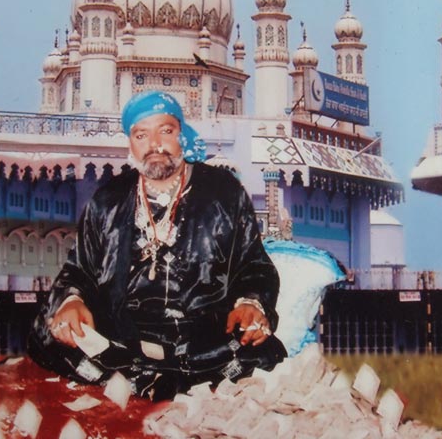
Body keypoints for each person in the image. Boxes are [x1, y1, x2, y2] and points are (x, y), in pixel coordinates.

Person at [27, 91, 285, 400]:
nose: (154, 145)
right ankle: (145, 380)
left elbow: (253, 265)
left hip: (204, 344)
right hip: (123, 342)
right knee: (49, 334)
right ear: (130, 143)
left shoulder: (224, 193)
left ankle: (147, 384)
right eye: (141, 134)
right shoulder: (107, 201)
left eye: (165, 131)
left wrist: (251, 303)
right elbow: (78, 270)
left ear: (181, 135)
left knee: (259, 351)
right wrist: (72, 302)